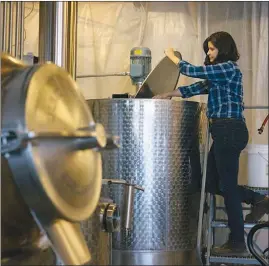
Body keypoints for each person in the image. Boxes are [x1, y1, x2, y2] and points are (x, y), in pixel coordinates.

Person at [153, 31, 269, 256]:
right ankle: (259, 200)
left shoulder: (228, 68)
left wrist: (173, 58)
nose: (209, 52)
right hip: (223, 131)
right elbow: (193, 88)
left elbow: (193, 71)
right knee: (211, 184)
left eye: (212, 48)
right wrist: (168, 94)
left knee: (227, 187)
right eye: (208, 48)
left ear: (223, 49)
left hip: (229, 129)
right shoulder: (218, 76)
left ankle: (237, 243)